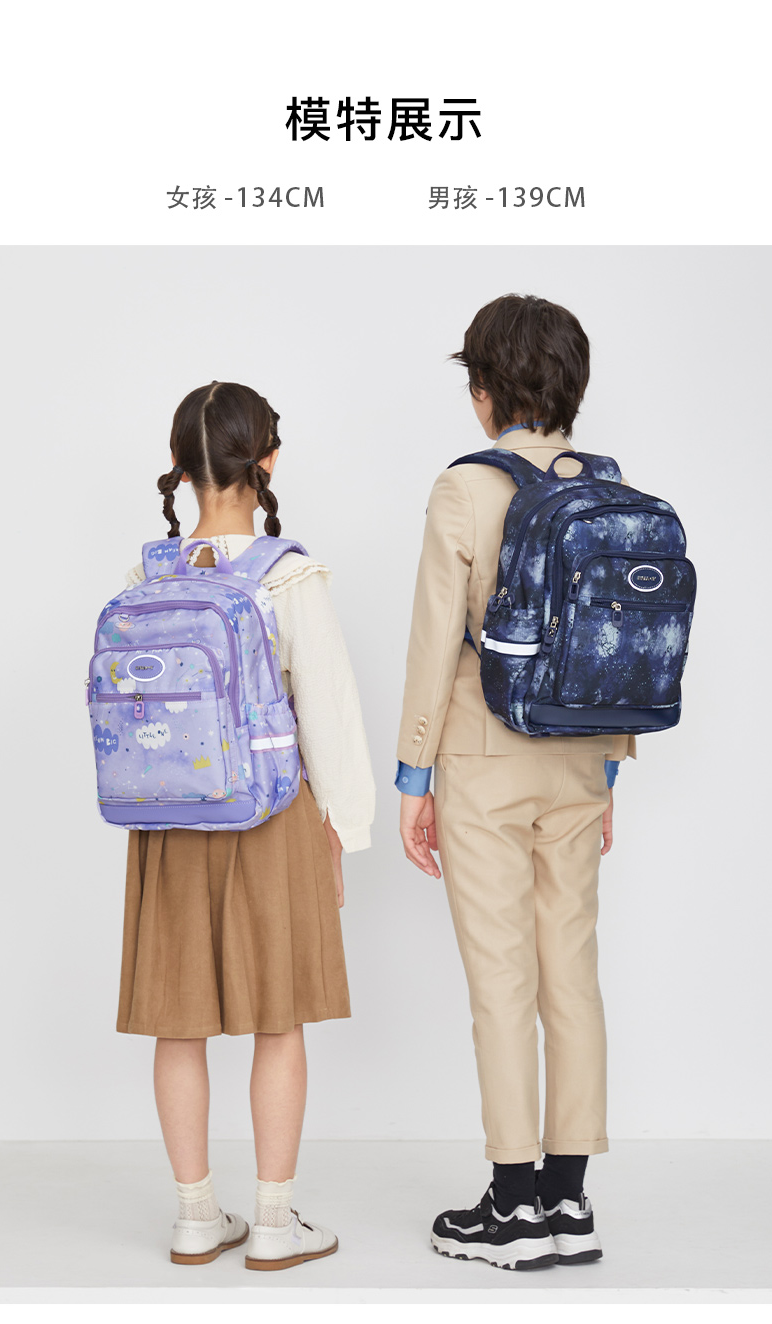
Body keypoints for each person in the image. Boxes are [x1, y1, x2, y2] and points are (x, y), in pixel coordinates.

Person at [396, 295, 635, 1271]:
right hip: (581, 756)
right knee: (571, 972)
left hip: (484, 758)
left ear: (484, 392)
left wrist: (414, 775)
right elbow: (621, 644)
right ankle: (569, 1200)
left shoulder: (465, 487)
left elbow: (432, 644)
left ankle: (510, 1205)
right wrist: (609, 769)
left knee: (502, 980)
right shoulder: (609, 487)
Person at [115, 380, 375, 1269]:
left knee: (177, 1022)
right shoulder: (286, 575)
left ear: (179, 465)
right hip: (269, 819)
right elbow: (328, 714)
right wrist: (341, 828)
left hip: (168, 825)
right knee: (278, 1020)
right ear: (268, 459)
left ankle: (195, 1216)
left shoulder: (147, 578)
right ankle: (272, 1220)